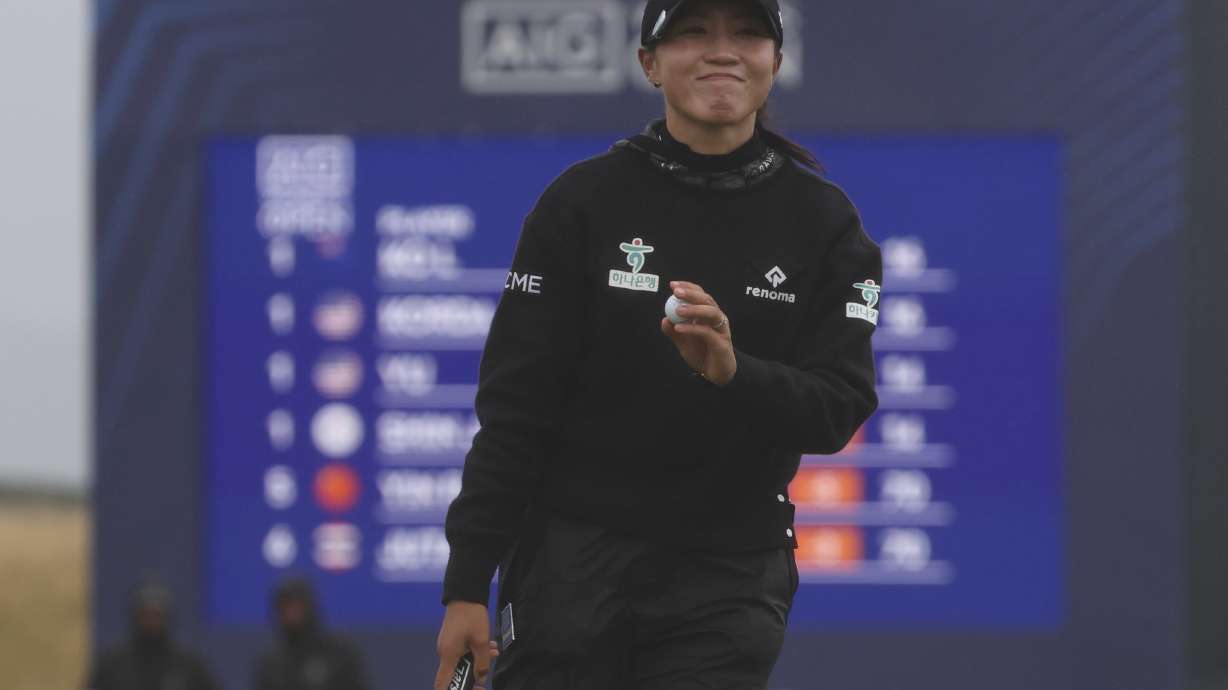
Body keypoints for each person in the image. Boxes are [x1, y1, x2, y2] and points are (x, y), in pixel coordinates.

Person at [434, 0, 881, 687]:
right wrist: (467, 584)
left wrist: (733, 372)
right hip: (571, 566)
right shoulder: (581, 202)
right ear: (649, 63)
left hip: (729, 576)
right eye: (693, 32)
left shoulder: (825, 222)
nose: (722, 50)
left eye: (747, 33)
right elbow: (515, 412)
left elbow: (837, 408)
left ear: (775, 62)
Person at [85, 580, 217, 690]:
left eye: (157, 615)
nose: (152, 622)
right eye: (146, 615)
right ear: (135, 617)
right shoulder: (112, 668)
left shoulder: (189, 669)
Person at [252, 577, 371, 690]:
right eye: (285, 608)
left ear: (310, 608)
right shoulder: (270, 663)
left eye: (297, 607)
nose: (292, 614)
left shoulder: (340, 654)